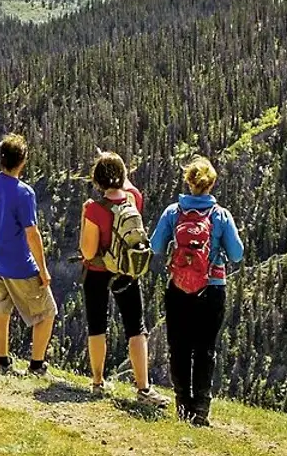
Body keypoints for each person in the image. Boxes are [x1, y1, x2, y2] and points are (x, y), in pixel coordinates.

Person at [150, 156, 245, 427]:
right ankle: (201, 410)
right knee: (205, 349)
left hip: (178, 288)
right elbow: (237, 254)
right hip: (212, 289)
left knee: (179, 348)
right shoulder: (220, 216)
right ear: (211, 184)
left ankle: (183, 406)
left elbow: (155, 246)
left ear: (188, 182)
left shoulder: (173, 212)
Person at [79, 152, 168, 407]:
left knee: (97, 326)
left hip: (98, 273)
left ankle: (98, 382)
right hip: (127, 270)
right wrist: (117, 168)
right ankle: (143, 388)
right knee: (136, 327)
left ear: (97, 181)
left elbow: (88, 252)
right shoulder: (134, 198)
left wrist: (84, 218)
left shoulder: (94, 210)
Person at [0, 133, 56, 376]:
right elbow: (32, 235)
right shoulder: (24, 193)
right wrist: (43, 270)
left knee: (1, 311)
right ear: (23, 161)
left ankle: (3, 362)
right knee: (47, 313)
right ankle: (36, 366)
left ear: (1, 158)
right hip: (21, 266)